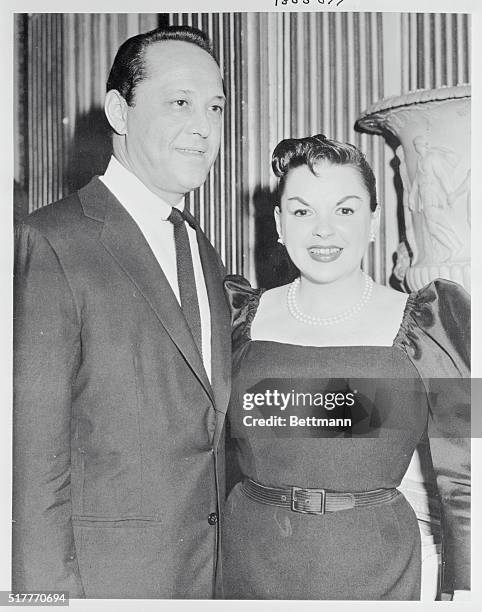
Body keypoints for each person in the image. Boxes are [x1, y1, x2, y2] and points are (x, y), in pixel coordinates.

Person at [13, 25, 231, 599]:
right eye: (179, 103)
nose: (204, 128)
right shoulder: (51, 241)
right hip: (106, 586)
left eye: (214, 107)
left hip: (207, 583)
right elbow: (32, 464)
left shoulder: (203, 251)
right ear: (119, 110)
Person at [222, 135, 470, 600]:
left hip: (374, 571)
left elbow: (469, 476)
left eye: (345, 210)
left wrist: (468, 590)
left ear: (373, 221)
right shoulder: (237, 316)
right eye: (302, 211)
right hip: (248, 565)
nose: (323, 230)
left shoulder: (434, 320)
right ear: (278, 223)